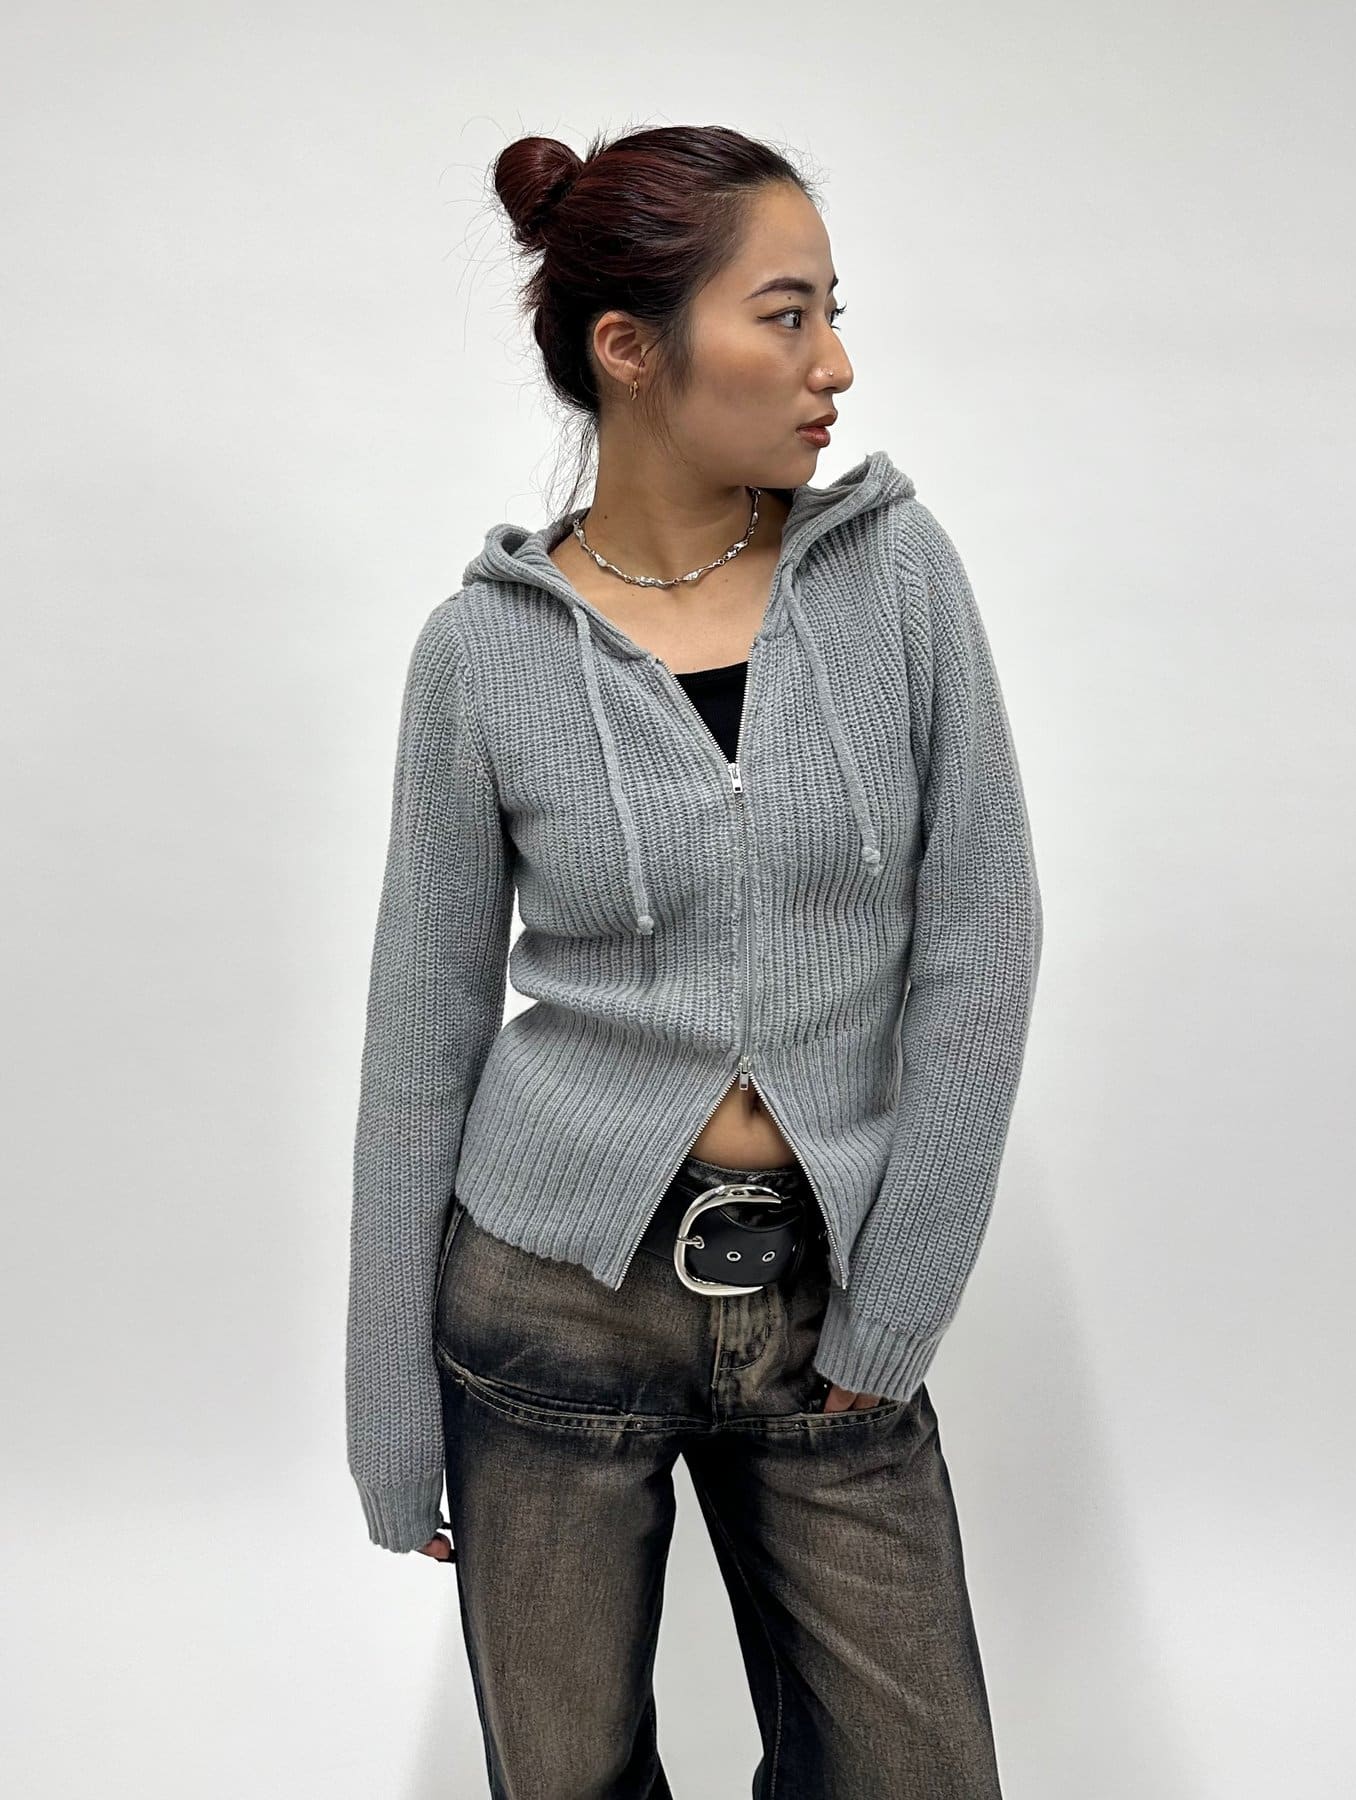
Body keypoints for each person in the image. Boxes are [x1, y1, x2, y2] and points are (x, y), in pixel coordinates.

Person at [345, 122, 1044, 1797]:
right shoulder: (481, 654)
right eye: (786, 317)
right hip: (546, 1308)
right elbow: (422, 1029)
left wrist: (899, 1305)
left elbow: (986, 934)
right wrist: (388, 1406)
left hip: (826, 1301)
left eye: (831, 315)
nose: (834, 366)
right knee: (568, 1779)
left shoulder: (895, 578)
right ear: (630, 347)